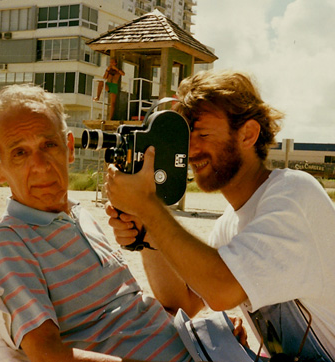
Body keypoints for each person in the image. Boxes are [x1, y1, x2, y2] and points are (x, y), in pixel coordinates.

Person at [0, 83, 248, 362]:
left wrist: (204, 336)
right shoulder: (8, 243)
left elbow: (169, 307)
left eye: (49, 145)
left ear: (68, 148)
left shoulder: (79, 215)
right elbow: (47, 355)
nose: (41, 164)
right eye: (20, 152)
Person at [105, 69, 335, 361]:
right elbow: (182, 303)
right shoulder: (230, 224)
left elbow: (221, 289)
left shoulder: (292, 193)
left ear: (248, 134)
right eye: (187, 138)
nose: (191, 150)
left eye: (203, 135)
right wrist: (149, 237)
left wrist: (149, 207)